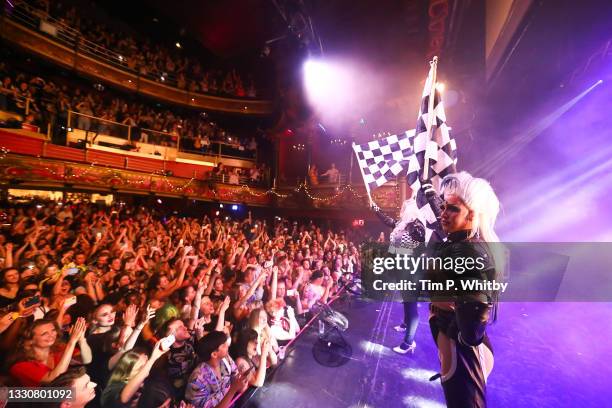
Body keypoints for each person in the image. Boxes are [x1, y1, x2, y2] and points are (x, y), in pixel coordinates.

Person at [426, 171, 501, 408]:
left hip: (463, 350)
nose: (443, 213)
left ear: (473, 214)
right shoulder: (459, 243)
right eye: (444, 206)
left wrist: (458, 320)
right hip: (457, 344)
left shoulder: (468, 251)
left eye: (452, 209)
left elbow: (471, 332)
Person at [371, 198, 425, 354]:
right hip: (402, 269)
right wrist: (375, 208)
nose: (402, 209)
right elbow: (388, 220)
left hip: (411, 271)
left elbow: (420, 250)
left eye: (405, 207)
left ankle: (408, 343)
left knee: (410, 303)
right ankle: (405, 324)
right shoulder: (402, 224)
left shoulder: (416, 226)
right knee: (406, 301)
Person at [185, 331, 249, 408]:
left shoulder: (225, 359)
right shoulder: (197, 380)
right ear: (214, 354)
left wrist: (240, 383)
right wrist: (233, 389)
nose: (228, 346)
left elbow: (234, 375)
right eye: (224, 345)